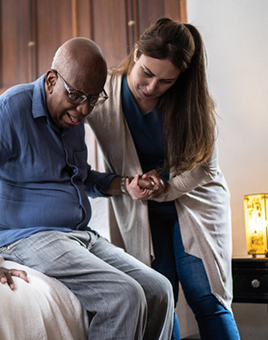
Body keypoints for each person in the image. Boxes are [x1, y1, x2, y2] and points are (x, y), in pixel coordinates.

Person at [0, 37, 174, 340]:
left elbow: (81, 177)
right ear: (52, 80)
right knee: (124, 295)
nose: (84, 109)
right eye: (77, 96)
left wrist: (123, 185)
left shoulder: (71, 120)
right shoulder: (12, 110)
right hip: (24, 236)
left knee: (159, 289)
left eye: (94, 98)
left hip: (78, 236)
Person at [86, 18, 240, 340]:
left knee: (206, 296)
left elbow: (205, 168)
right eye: (147, 73)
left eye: (166, 81)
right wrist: (126, 184)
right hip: (142, 210)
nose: (152, 87)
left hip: (194, 202)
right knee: (159, 297)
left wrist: (165, 187)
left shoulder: (191, 102)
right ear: (137, 52)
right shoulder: (104, 96)